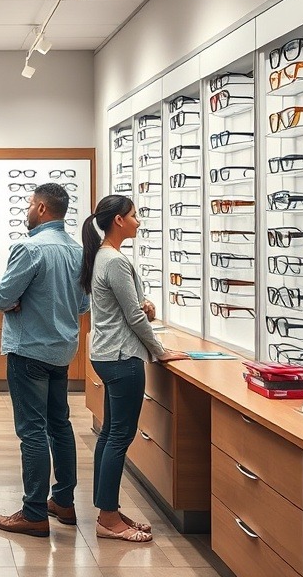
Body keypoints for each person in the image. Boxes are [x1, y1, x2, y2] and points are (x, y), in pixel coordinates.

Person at [80, 194, 189, 543]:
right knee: (119, 436)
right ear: (118, 221)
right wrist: (160, 351)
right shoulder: (114, 261)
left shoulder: (104, 257)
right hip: (122, 357)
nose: (138, 220)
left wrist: (142, 306)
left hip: (107, 352)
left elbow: (127, 307)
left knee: (110, 434)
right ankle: (109, 518)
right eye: (134, 215)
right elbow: (132, 316)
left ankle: (107, 511)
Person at [0, 183, 90, 539]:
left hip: (29, 349)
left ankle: (33, 512)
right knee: (59, 425)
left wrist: (7, 298)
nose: (27, 210)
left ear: (43, 209)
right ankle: (63, 500)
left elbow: (1, 297)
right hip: (62, 350)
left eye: (30, 204)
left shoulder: (29, 248)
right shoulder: (78, 251)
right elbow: (81, 306)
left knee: (31, 431)